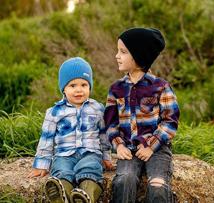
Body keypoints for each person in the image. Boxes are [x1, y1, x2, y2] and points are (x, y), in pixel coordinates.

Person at [104, 28, 180, 203]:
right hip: (128, 149)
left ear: (139, 56)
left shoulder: (160, 86)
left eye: (123, 52)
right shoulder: (116, 89)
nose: (116, 55)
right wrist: (119, 146)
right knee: (124, 180)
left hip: (158, 149)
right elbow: (110, 122)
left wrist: (151, 146)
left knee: (158, 186)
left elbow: (170, 120)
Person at [28, 57, 113, 203]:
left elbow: (104, 135)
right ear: (64, 89)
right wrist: (41, 165)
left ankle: (86, 195)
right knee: (61, 170)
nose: (79, 90)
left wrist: (106, 156)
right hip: (64, 155)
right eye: (72, 85)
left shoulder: (97, 108)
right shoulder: (54, 112)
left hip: (90, 153)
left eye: (84, 85)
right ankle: (61, 194)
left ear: (90, 87)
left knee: (91, 168)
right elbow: (46, 139)